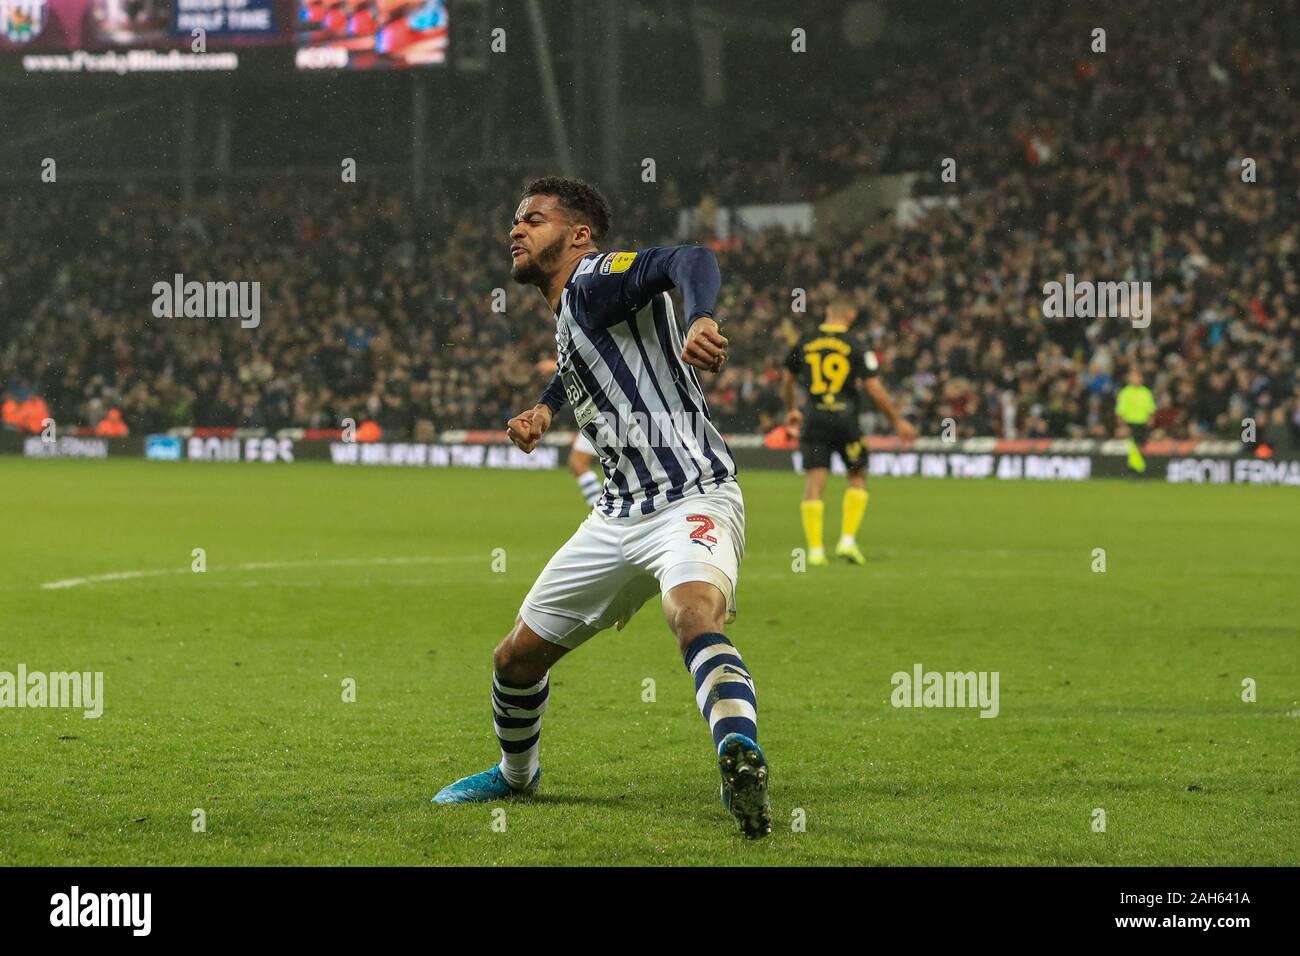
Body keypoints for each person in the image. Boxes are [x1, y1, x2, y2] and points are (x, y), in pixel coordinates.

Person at [432, 177, 771, 839]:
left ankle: (739, 752)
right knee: (515, 660)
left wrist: (702, 316)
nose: (516, 230)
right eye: (516, 220)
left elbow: (689, 259)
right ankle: (516, 775)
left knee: (693, 613)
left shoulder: (593, 277)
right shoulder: (573, 309)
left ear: (580, 234)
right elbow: (581, 360)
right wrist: (546, 408)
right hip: (617, 515)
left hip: (688, 495)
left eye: (534, 218)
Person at [783, 298, 917, 566]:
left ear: (827, 312)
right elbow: (874, 388)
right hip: (846, 420)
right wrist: (897, 420)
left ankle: (816, 552)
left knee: (814, 484)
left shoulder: (806, 341)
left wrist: (791, 409)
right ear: (851, 314)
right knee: (856, 477)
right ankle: (846, 541)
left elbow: (787, 378)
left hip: (814, 417)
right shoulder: (856, 344)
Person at [1115, 368, 1156, 477]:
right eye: (1133, 377)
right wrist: (1122, 425)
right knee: (1134, 447)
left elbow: (1151, 409)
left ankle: (1135, 468)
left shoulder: (1146, 392)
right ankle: (1138, 469)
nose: (1135, 379)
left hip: (1142, 423)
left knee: (1140, 446)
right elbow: (1120, 411)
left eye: (1137, 377)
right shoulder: (1125, 393)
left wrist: (1151, 419)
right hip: (1130, 423)